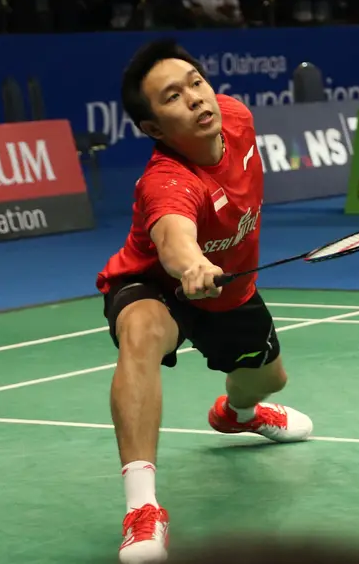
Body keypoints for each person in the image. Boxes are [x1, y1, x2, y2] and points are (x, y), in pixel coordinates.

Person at [96, 39, 313, 563]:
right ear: (152, 128)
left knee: (269, 379)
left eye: (196, 82)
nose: (196, 98)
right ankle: (142, 510)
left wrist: (212, 273)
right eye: (173, 96)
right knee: (142, 331)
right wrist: (191, 264)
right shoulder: (165, 180)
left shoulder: (236, 118)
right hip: (159, 284)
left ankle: (239, 413)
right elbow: (174, 238)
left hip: (232, 289)